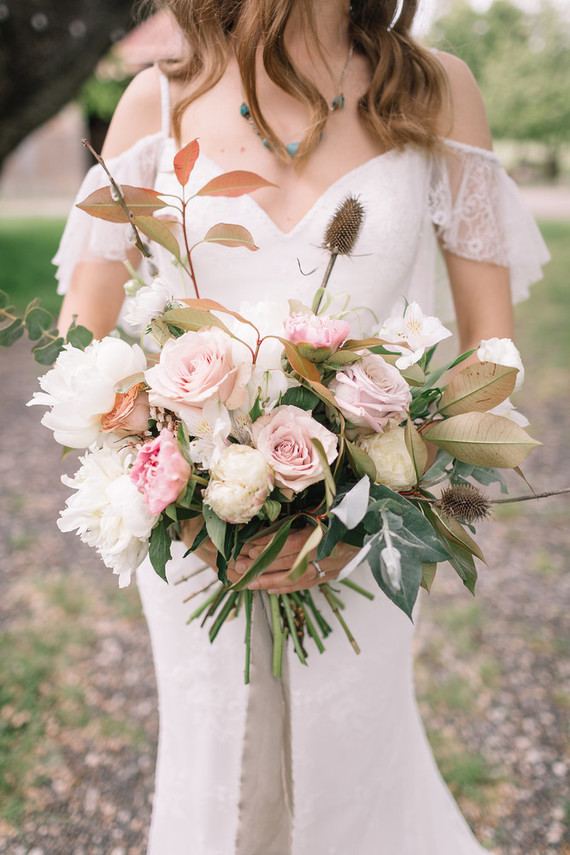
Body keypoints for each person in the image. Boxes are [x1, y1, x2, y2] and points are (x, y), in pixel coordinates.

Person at [55, 1, 549, 852]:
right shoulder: (159, 101)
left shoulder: (434, 90)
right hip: (193, 538)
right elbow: (82, 345)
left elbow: (491, 356)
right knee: (223, 779)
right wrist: (177, 490)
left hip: (373, 530)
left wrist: (375, 498)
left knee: (352, 765)